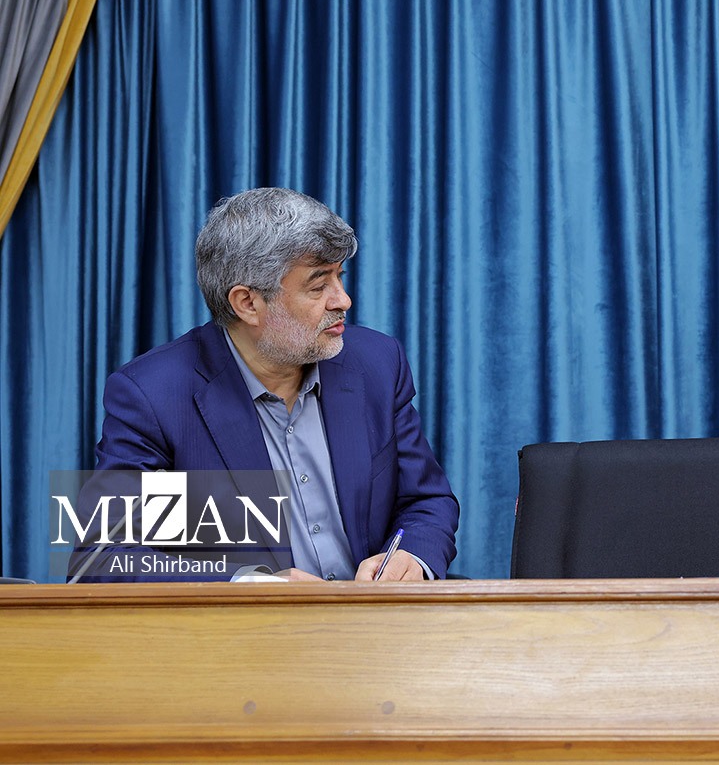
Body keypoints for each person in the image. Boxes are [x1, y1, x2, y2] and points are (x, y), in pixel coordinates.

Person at [69, 188, 459, 582]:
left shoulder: (376, 363)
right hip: (248, 621)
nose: (343, 300)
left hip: (374, 615)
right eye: (318, 285)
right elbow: (101, 558)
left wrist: (412, 556)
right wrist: (254, 587)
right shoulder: (154, 395)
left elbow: (426, 501)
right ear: (247, 303)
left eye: (339, 277)